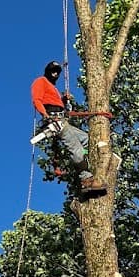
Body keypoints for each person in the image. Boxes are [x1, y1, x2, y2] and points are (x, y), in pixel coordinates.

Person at [30, 61, 107, 198]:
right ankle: (86, 180)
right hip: (55, 121)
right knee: (75, 147)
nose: (55, 73)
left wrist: (64, 100)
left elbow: (56, 103)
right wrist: (46, 116)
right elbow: (37, 100)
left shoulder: (53, 89)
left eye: (57, 71)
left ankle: (94, 161)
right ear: (47, 70)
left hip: (62, 119)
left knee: (88, 139)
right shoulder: (40, 81)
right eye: (53, 70)